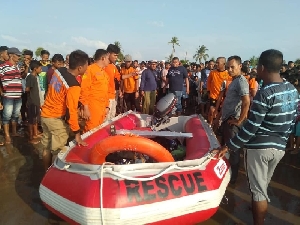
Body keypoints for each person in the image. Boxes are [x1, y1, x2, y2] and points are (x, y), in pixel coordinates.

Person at [213, 49, 299, 225]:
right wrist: (283, 141)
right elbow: (293, 120)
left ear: (261, 67)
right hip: (279, 148)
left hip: (259, 148)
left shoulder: (265, 93)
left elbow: (251, 128)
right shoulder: (292, 90)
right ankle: (257, 206)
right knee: (263, 184)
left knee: (258, 191)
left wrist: (228, 146)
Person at [40, 50, 89, 171]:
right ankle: (52, 178)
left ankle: (45, 171)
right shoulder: (73, 85)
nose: (88, 68)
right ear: (80, 67)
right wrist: (77, 134)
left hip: (45, 115)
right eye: (87, 65)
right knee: (58, 151)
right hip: (56, 120)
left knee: (46, 147)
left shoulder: (59, 71)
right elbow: (72, 111)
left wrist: (83, 104)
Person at [214, 56, 250, 184]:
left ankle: (232, 178)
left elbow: (246, 101)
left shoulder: (241, 81)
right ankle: (227, 174)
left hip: (232, 122)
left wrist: (239, 121)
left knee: (233, 151)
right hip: (227, 120)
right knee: (227, 149)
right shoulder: (234, 80)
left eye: (232, 67)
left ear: (240, 66)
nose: (229, 69)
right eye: (228, 67)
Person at [80, 49, 110, 132]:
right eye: (108, 58)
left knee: (98, 130)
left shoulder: (104, 73)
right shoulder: (89, 70)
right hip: (93, 107)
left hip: (102, 107)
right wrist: (85, 108)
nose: (109, 60)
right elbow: (84, 89)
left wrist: (107, 106)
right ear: (103, 58)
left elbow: (105, 91)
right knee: (90, 131)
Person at [0, 47, 23, 144]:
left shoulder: (17, 66)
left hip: (18, 96)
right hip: (8, 96)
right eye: (17, 55)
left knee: (15, 115)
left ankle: (14, 132)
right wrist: (1, 93)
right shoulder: (3, 67)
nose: (19, 57)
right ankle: (7, 136)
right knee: (6, 116)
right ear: (11, 55)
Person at [207, 57, 229, 125]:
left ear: (224, 64)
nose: (216, 64)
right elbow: (209, 82)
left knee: (219, 114)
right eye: (216, 62)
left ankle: (216, 127)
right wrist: (209, 91)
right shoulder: (213, 73)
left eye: (218, 63)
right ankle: (210, 124)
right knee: (212, 111)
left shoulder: (228, 74)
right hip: (213, 96)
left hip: (222, 98)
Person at [26, 60, 42, 144]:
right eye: (40, 68)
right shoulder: (31, 77)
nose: (41, 70)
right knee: (31, 120)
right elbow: (27, 89)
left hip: (35, 101)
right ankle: (31, 137)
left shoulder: (35, 77)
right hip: (32, 102)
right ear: (35, 69)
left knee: (35, 119)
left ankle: (35, 134)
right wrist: (29, 99)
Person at [105, 44, 121, 120]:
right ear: (108, 54)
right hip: (105, 98)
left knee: (111, 119)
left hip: (112, 96)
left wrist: (131, 74)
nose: (116, 57)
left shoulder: (113, 66)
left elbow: (119, 77)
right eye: (115, 55)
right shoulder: (103, 66)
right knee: (105, 120)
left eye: (117, 55)